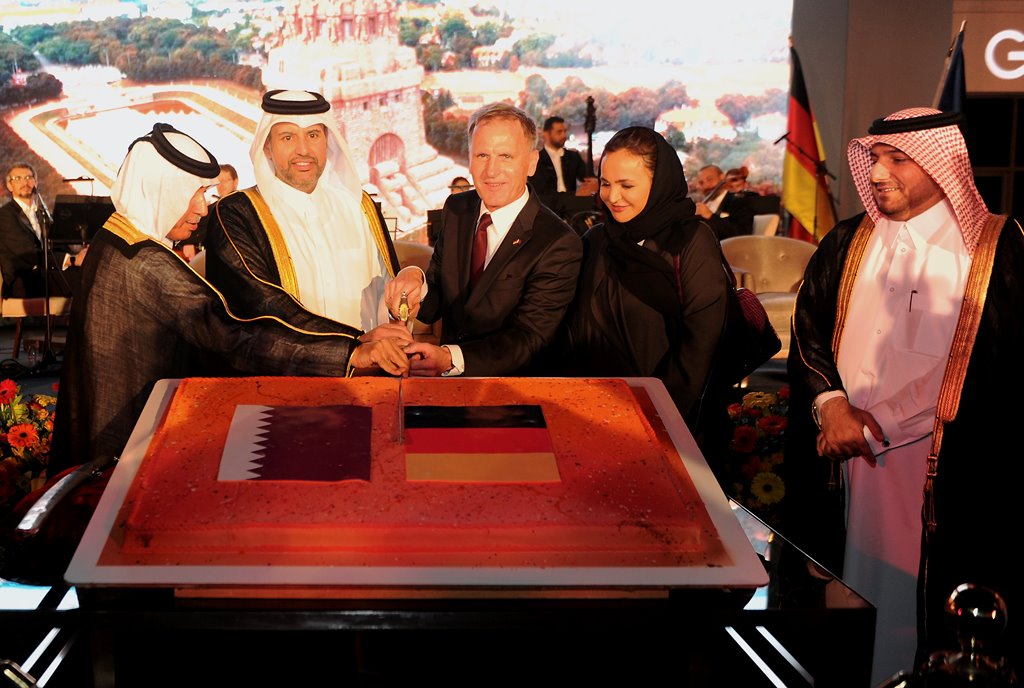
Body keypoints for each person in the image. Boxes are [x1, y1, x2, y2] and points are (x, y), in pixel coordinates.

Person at [786, 107, 1023, 683]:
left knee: (921, 600)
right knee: (847, 595)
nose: (879, 173)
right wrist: (832, 406)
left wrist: (874, 423)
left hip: (941, 466)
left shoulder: (995, 248)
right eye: (874, 160)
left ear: (943, 166)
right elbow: (807, 329)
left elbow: (983, 361)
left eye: (898, 159)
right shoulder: (849, 239)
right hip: (841, 456)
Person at [50, 123, 411, 475]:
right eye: (193, 194)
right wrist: (352, 352)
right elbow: (233, 336)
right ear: (162, 191)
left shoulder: (115, 237)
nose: (202, 209)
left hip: (105, 435)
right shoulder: (145, 263)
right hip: (121, 451)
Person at [557, 126, 732, 459]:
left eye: (627, 185)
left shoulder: (691, 242)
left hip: (670, 428)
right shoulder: (596, 241)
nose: (612, 197)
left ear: (659, 183)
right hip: (594, 419)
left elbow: (699, 347)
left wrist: (649, 420)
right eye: (606, 184)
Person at [205, 89, 423, 334]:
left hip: (368, 369)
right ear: (267, 147)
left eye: (313, 135)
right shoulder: (239, 215)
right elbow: (257, 311)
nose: (304, 150)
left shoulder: (358, 206)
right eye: (288, 138)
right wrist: (353, 350)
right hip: (285, 372)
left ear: (327, 140)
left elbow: (384, 302)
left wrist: (408, 288)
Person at [402, 103, 583, 377]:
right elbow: (437, 295)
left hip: (513, 395)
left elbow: (528, 338)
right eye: (482, 155)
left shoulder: (558, 243)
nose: (491, 171)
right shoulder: (457, 209)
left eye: (506, 156)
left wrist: (450, 358)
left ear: (532, 163)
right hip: (446, 388)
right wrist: (414, 281)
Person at [0, 163, 81, 297]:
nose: (24, 182)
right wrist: (70, 260)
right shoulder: (5, 215)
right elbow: (27, 253)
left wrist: (78, 254)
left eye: (28, 177)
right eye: (17, 178)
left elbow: (57, 244)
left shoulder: (43, 213)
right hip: (22, 280)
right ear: (9, 186)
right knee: (82, 282)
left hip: (46, 273)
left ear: (36, 182)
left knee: (87, 275)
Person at [177, 163, 239, 260]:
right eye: (219, 181)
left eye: (226, 180)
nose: (221, 185)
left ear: (236, 181)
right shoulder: (212, 203)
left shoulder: (234, 205)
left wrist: (189, 242)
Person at [528, 116, 593, 195]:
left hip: (573, 204)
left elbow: (589, 178)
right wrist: (575, 194)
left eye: (565, 131)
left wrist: (592, 185)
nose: (564, 135)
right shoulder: (537, 160)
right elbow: (543, 195)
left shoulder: (573, 157)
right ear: (546, 134)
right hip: (549, 205)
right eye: (559, 132)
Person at [694, 164, 754, 240]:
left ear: (722, 178)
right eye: (701, 183)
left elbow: (742, 233)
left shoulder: (738, 201)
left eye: (710, 179)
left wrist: (710, 216)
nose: (706, 186)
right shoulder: (701, 206)